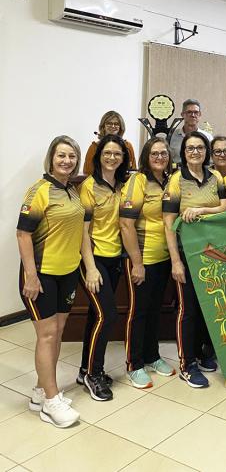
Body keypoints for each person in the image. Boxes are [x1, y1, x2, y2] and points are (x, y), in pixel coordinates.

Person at [17, 136, 84, 428]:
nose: (66, 161)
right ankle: (50, 402)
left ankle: (41, 391)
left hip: (67, 272)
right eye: (61, 156)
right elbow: (23, 234)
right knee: (46, 335)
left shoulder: (72, 190)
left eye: (71, 156)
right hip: (41, 276)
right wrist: (31, 275)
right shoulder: (39, 191)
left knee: (56, 333)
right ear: (51, 158)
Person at [163, 132, 226, 388]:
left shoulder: (216, 177)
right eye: (190, 148)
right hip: (187, 255)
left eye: (200, 147)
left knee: (207, 307)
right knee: (187, 310)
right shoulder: (176, 181)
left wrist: (201, 209)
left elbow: (224, 208)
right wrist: (175, 261)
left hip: (211, 254)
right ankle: (186, 364)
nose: (195, 152)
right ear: (183, 152)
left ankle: (203, 354)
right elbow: (168, 223)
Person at [119, 137, 176, 389]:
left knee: (154, 310)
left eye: (164, 153)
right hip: (142, 258)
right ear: (146, 155)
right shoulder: (137, 180)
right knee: (138, 313)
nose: (160, 157)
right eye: (154, 153)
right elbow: (126, 223)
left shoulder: (168, 181)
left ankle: (152, 356)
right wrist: (137, 263)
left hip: (163, 257)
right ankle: (134, 364)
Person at [77, 134, 131, 401]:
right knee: (107, 315)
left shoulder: (123, 184)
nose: (112, 158)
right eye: (107, 153)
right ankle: (93, 374)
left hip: (115, 258)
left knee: (94, 316)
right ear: (99, 157)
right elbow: (82, 232)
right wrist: (90, 267)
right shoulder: (88, 186)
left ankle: (83, 369)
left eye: (117, 154)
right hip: (94, 258)